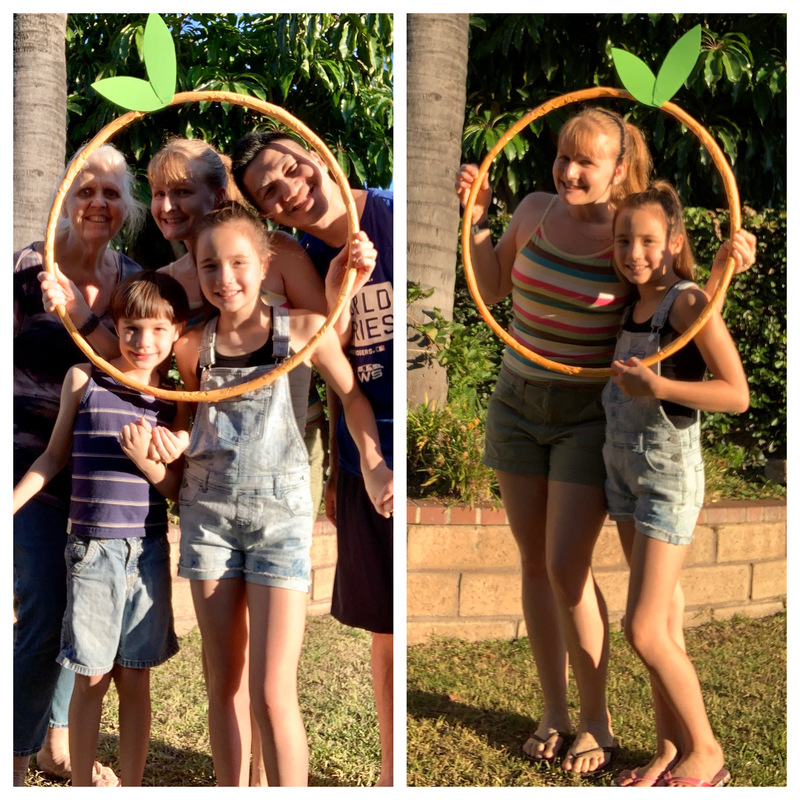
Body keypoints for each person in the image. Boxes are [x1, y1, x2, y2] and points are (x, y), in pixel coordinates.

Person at [455, 107, 756, 775]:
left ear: (619, 168)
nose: (570, 171)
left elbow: (679, 307)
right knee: (536, 564)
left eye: (587, 161)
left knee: (571, 568)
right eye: (564, 156)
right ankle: (556, 710)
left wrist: (727, 267)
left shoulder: (629, 234)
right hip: (515, 400)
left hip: (592, 412)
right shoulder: (534, 210)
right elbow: (494, 282)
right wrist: (475, 223)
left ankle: (600, 719)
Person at [169, 202, 392, 786]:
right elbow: (187, 426)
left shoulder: (302, 330)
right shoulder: (193, 348)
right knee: (224, 682)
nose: (225, 279)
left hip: (280, 525)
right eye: (209, 265)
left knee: (272, 690)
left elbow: (353, 398)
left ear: (266, 265)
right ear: (196, 268)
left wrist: (372, 462)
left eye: (239, 262)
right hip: (208, 518)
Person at [232, 131, 395, 785]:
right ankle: (391, 772)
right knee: (386, 624)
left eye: (290, 169)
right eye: (268, 192)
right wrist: (342, 284)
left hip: (404, 440)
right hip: (364, 456)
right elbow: (336, 361)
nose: (287, 189)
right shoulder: (300, 258)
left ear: (318, 155)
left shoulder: (390, 207)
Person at [13, 270, 190, 786]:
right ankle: (83, 785)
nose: (144, 342)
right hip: (90, 551)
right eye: (133, 328)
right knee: (90, 676)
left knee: (135, 679)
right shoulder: (84, 378)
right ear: (115, 325)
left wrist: (148, 461)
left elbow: (177, 490)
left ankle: (131, 787)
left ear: (177, 333)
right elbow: (52, 457)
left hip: (147, 553)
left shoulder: (175, 401)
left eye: (159, 330)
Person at [604, 183, 749, 787]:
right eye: (624, 240)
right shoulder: (630, 304)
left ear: (674, 243)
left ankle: (707, 751)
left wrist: (659, 388)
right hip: (625, 475)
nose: (635, 252)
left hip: (666, 478)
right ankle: (669, 750)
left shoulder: (686, 304)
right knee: (659, 625)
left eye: (648, 240)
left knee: (642, 628)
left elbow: (736, 395)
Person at [13, 143, 145, 787]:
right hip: (26, 465)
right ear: (65, 200)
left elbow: (147, 374)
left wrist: (80, 313)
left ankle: (52, 742)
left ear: (128, 207)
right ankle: (16, 748)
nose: (98, 202)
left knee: (82, 608)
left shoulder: (138, 280)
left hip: (104, 473)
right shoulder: (21, 272)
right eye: (86, 189)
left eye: (112, 192)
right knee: (42, 601)